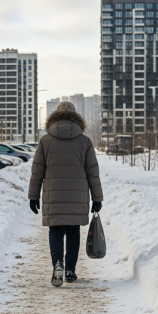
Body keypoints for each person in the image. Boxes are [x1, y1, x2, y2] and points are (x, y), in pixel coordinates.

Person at [28, 102, 103, 287]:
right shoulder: (85, 141)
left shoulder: (45, 141)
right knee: (72, 231)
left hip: (53, 195)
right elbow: (92, 171)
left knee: (55, 230)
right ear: (77, 118)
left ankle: (58, 265)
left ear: (54, 116)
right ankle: (70, 269)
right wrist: (97, 198)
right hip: (77, 196)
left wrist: (33, 196)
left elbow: (37, 171)